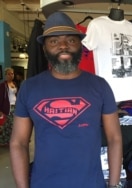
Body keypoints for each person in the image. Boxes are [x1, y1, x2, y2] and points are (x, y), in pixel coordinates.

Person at [10, 12, 123, 188]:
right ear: (44, 48)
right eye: (54, 41)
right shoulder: (29, 88)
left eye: (70, 40)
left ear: (80, 45)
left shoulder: (100, 86)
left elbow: (115, 138)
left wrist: (114, 185)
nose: (63, 46)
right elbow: (18, 142)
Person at [0, 67, 17, 145]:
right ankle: (9, 140)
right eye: (9, 74)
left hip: (15, 106)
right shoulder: (3, 85)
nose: (11, 75)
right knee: (11, 124)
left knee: (9, 124)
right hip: (8, 107)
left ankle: (4, 140)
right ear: (6, 75)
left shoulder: (14, 84)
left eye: (12, 73)